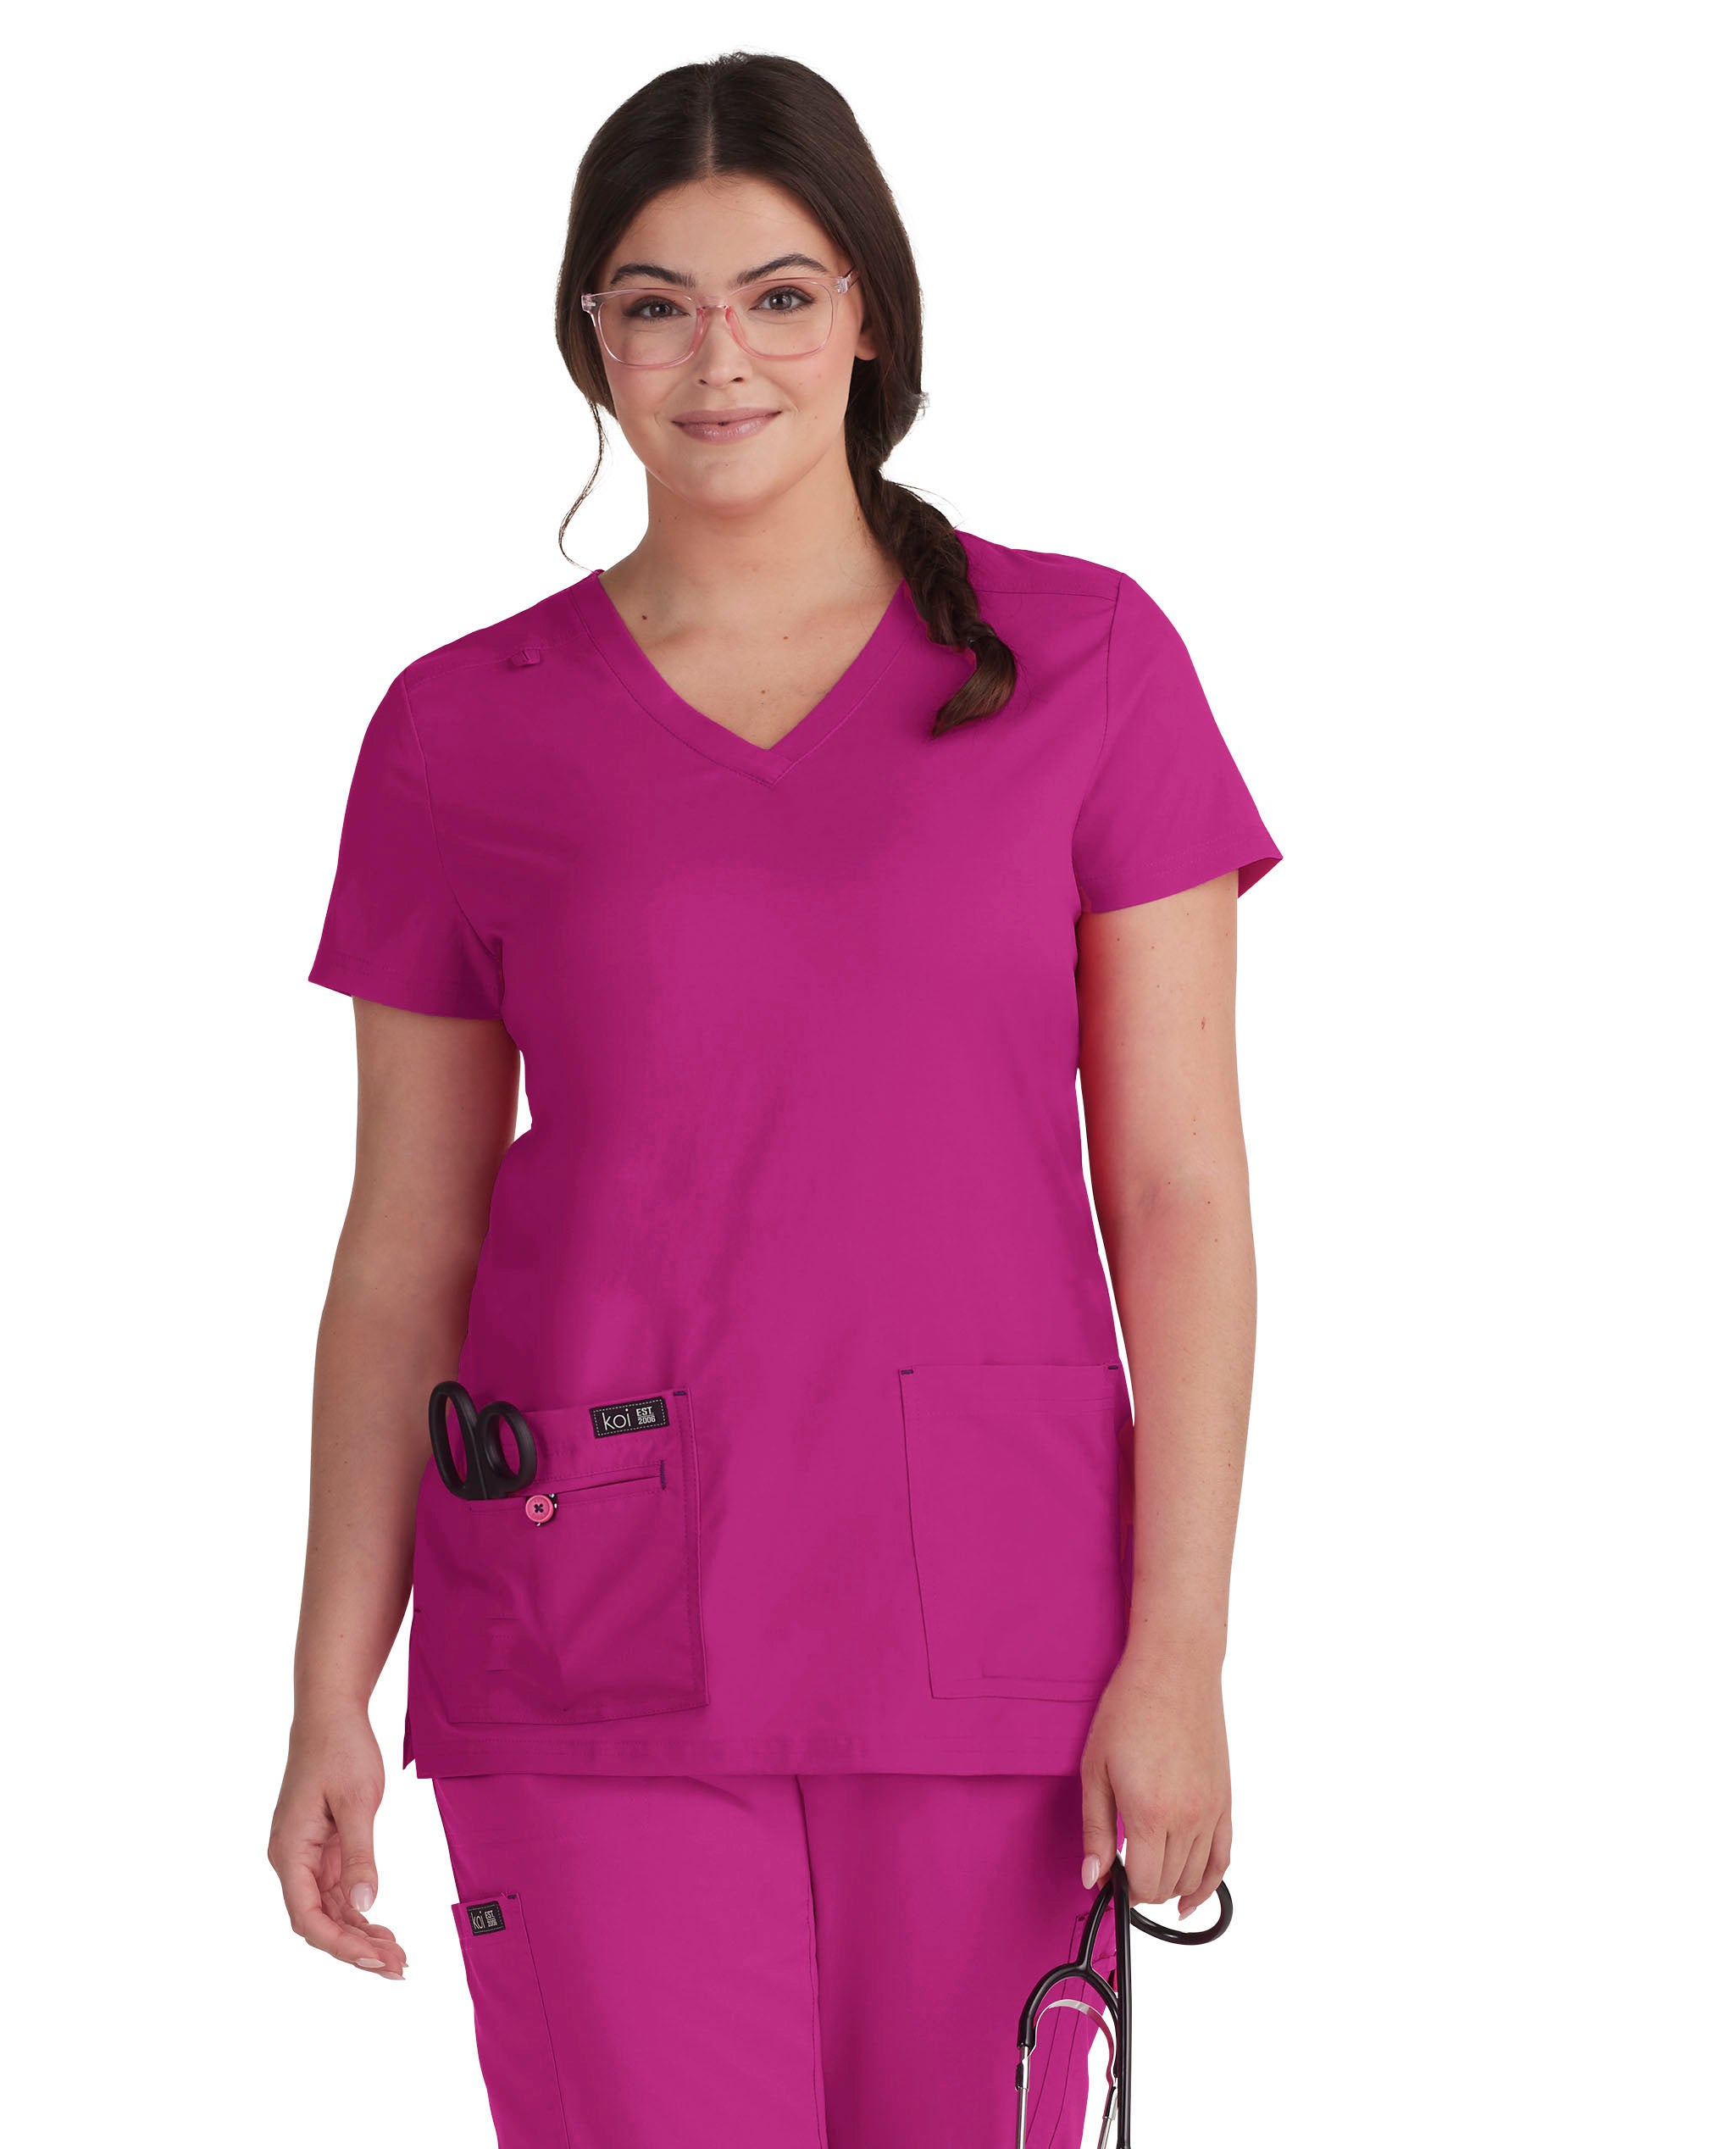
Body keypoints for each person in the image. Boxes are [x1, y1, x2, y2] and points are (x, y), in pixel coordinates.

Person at [268, 48, 1282, 2149]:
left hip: (995, 1630)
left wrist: (1177, 1647)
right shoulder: (461, 728)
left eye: (778, 295)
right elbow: (404, 1246)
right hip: (588, 1625)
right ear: (590, 340)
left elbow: (1178, 1192)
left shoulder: (1085, 663)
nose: (716, 357)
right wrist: (326, 1686)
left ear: (869, 316)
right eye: (654, 304)